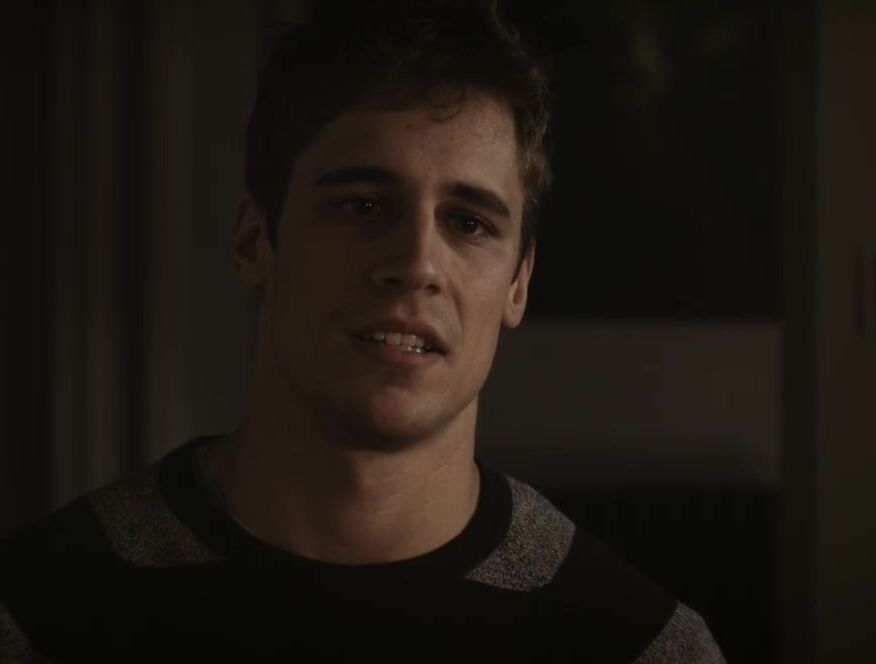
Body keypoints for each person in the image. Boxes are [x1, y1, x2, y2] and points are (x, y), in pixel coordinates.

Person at [0, 1, 726, 661]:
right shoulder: (37, 619)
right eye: (363, 206)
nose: (416, 265)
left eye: (468, 223)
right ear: (254, 240)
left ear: (518, 283)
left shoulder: (639, 647)